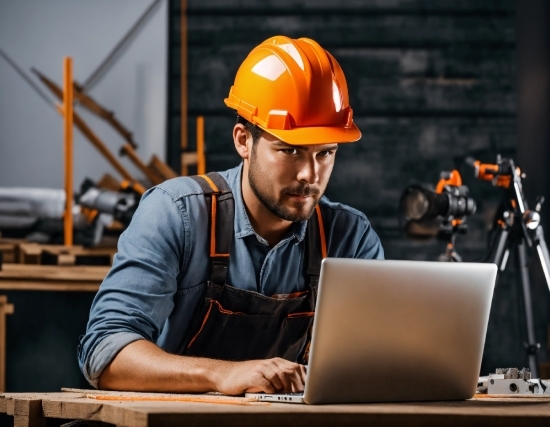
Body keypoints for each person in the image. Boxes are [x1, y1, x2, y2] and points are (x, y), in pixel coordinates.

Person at [78, 35, 384, 396]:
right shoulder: (176, 213)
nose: (309, 175)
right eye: (290, 151)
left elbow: (374, 359)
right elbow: (104, 352)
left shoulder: (349, 237)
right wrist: (221, 375)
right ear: (243, 140)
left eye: (325, 154)